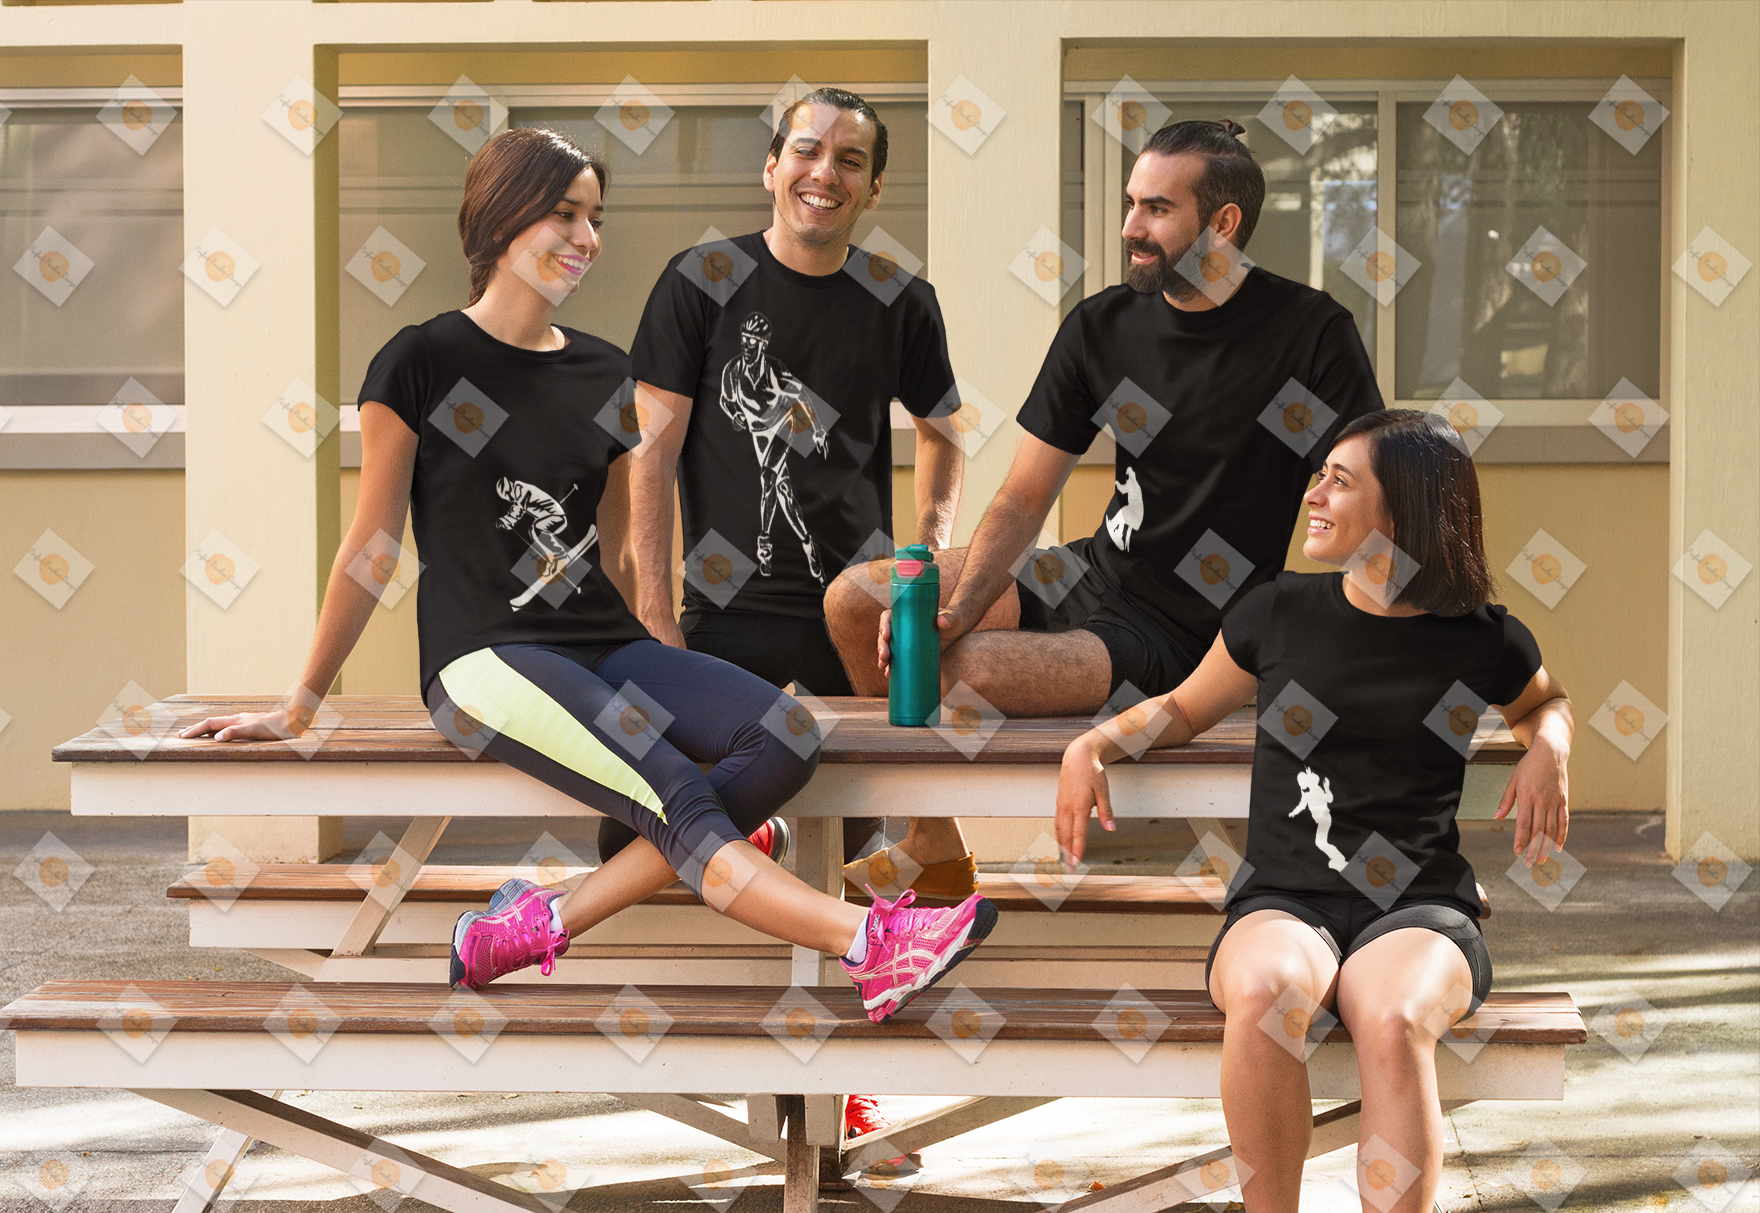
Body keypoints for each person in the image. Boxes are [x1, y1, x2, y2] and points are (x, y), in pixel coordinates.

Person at [179, 126, 996, 1023]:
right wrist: (300, 704)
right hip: (485, 657)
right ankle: (868, 944)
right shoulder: (419, 361)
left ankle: (540, 923)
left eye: (595, 218)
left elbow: (612, 552)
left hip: (602, 642)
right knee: (676, 792)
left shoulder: (607, 370)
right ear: (501, 219)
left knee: (786, 736)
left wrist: (662, 654)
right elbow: (370, 551)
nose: (587, 238)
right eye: (564, 215)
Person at [1054, 410, 1574, 1213]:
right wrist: (1094, 744)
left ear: (1403, 509)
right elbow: (1184, 707)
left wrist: (1552, 743)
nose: (1315, 495)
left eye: (1340, 480)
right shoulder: (1278, 610)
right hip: (1286, 897)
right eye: (1320, 476)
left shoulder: (1481, 635)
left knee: (1391, 1015)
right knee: (1262, 992)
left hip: (1419, 904)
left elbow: (1541, 702)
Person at [826, 117, 1384, 895]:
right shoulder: (1103, 325)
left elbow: (1372, 493)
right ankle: (933, 840)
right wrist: (956, 607)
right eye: (1130, 204)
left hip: (1184, 627)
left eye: (1157, 209)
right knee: (857, 601)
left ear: (1224, 223)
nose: (1130, 228)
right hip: (1089, 571)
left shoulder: (1311, 334)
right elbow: (1024, 497)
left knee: (961, 670)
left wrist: (1347, 644)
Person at [617, 87, 970, 1137]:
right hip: (719, 620)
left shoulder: (899, 298)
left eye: (850, 159)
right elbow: (650, 456)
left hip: (851, 626)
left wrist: (923, 561)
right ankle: (767, 1064)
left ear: (874, 185)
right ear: (771, 167)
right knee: (677, 829)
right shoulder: (699, 282)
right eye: (806, 151)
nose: (825, 173)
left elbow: (945, 434)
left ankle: (831, 1082)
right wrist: (654, 617)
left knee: (857, 855)